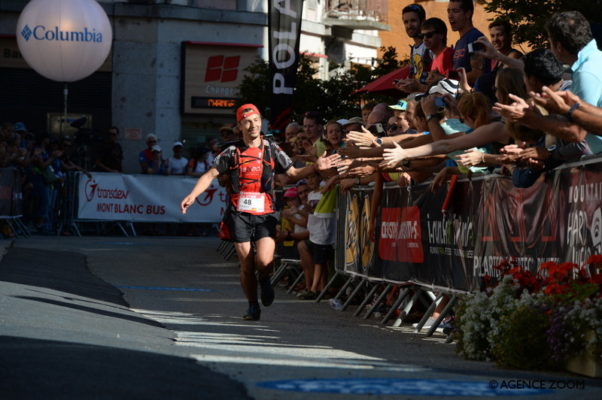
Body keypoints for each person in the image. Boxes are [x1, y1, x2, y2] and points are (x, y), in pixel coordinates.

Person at [180, 104, 336, 321]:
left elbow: (292, 173)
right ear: (240, 126)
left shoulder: (271, 149)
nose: (252, 125)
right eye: (247, 121)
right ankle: (252, 305)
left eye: (256, 120)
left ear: (260, 122)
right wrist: (193, 195)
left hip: (265, 213)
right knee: (246, 264)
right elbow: (210, 175)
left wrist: (316, 166)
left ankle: (264, 278)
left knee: (263, 261)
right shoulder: (232, 151)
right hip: (239, 214)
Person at [447, 0, 489, 85]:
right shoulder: (459, 42)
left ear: (468, 14)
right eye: (449, 11)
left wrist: (451, 80)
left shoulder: (475, 38)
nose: (450, 16)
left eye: (455, 11)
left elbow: (477, 74)